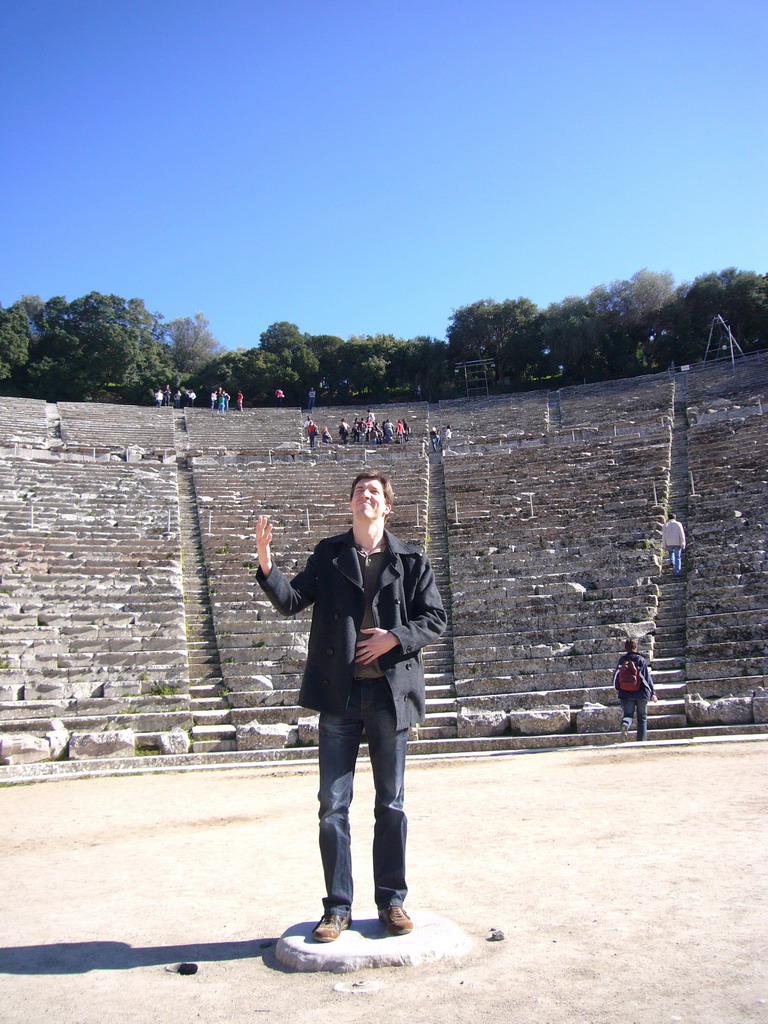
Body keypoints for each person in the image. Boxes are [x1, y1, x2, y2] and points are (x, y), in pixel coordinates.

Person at [255, 473, 447, 942]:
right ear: (351, 504)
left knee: (392, 805)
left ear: (386, 507)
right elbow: (292, 602)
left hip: (389, 697)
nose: (367, 496)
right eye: (361, 491)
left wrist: (393, 639)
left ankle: (392, 903)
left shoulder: (411, 558)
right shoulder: (329, 554)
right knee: (332, 807)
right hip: (339, 697)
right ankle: (337, 908)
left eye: (375, 493)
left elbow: (434, 618)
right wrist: (266, 564)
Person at [613, 638, 657, 741]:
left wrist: (619, 689)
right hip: (641, 693)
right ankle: (641, 741)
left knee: (628, 715)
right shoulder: (640, 660)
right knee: (642, 718)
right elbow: (646, 678)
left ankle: (625, 724)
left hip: (626, 693)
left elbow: (616, 677)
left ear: (625, 647)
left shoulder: (622, 660)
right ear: (636, 647)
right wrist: (652, 692)